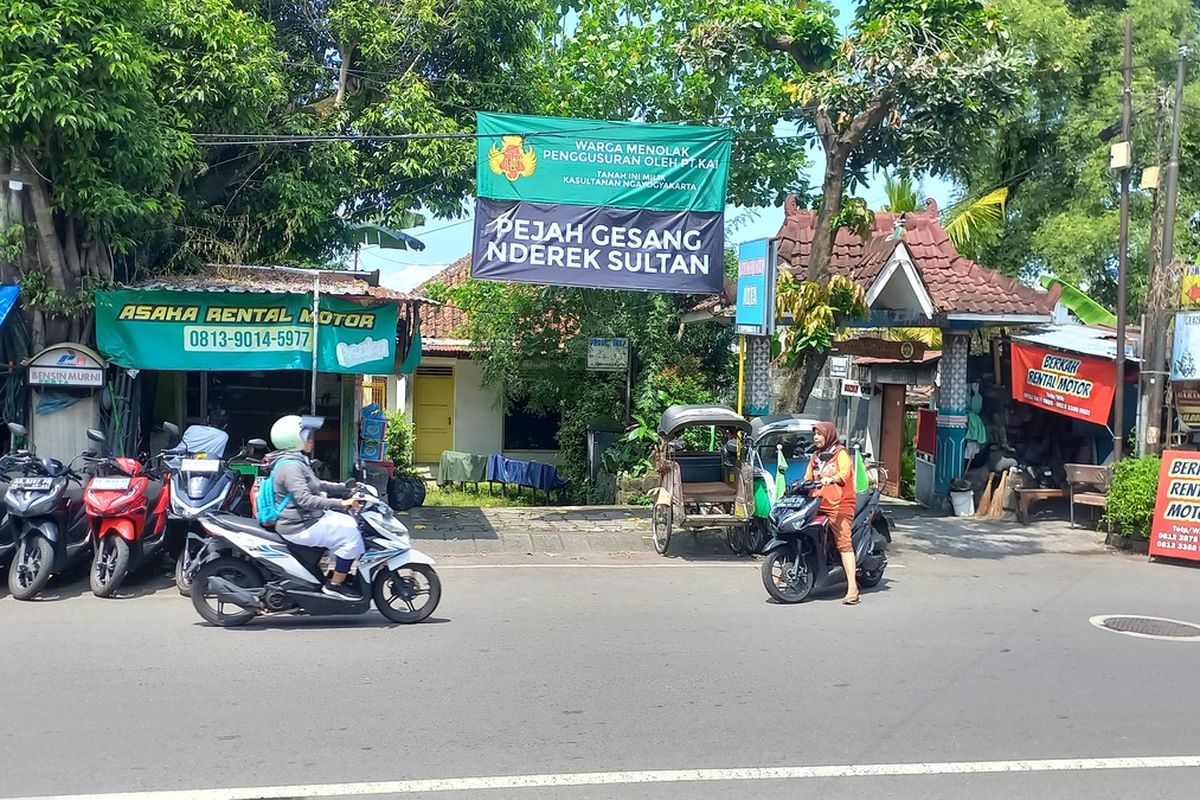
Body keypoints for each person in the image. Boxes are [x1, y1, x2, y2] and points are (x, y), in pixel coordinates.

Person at [269, 414, 364, 600]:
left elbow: (317, 485)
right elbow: (305, 499)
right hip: (298, 524)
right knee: (351, 537)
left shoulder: (295, 461)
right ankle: (335, 585)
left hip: (307, 518)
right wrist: (341, 503)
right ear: (293, 439)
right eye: (307, 435)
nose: (312, 439)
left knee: (350, 523)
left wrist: (345, 488)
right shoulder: (291, 467)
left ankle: (337, 573)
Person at [803, 421, 860, 605]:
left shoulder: (840, 453)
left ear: (828, 435)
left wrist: (833, 478)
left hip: (840, 506)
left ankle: (852, 587)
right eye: (815, 434)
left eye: (819, 434)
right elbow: (807, 478)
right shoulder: (816, 457)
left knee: (844, 544)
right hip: (817, 504)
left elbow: (845, 472)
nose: (816, 438)